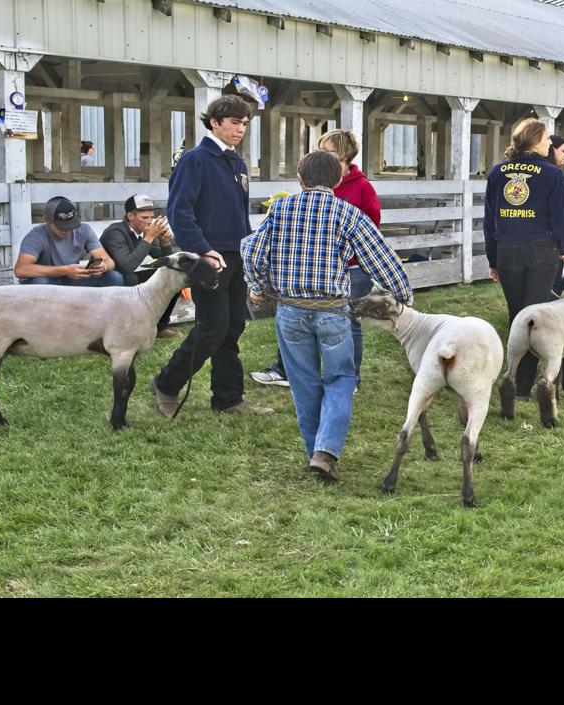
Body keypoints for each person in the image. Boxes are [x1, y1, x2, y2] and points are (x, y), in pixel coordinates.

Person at [241, 150, 413, 482]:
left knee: (303, 383)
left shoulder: (280, 210)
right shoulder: (347, 213)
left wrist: (257, 285)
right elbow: (382, 259)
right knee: (341, 379)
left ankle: (314, 452)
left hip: (290, 310)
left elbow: (250, 249)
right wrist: (403, 295)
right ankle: (325, 451)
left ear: (300, 180)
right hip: (332, 312)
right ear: (337, 181)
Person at [151, 94, 275, 418]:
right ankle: (166, 383)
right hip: (209, 258)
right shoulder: (195, 160)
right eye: (234, 122)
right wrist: (204, 251)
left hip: (236, 255)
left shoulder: (238, 162)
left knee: (233, 325)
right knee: (213, 326)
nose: (240, 129)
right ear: (215, 122)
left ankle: (228, 398)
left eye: (245, 124)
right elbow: (179, 212)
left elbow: (238, 215)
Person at [253, 129, 386, 388]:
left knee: (350, 322)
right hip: (312, 265)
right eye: (320, 150)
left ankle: (350, 378)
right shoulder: (314, 183)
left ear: (346, 156)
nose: (323, 156)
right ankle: (285, 370)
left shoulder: (362, 188)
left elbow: (371, 227)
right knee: (295, 312)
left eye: (329, 151)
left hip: (350, 269)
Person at [481, 117, 564, 399]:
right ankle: (521, 385)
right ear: (534, 140)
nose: (549, 144)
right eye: (546, 139)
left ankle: (510, 375)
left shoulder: (498, 173)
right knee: (535, 317)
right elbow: (561, 217)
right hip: (541, 249)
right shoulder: (552, 174)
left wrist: (493, 259)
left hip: (507, 248)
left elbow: (489, 220)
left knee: (516, 315)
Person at [101, 193, 182, 333]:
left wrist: (165, 242)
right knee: (130, 278)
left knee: (173, 278)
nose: (149, 221)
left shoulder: (145, 232)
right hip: (108, 279)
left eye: (151, 217)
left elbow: (165, 261)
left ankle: (160, 327)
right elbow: (127, 266)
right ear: (130, 216)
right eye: (144, 217)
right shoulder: (115, 232)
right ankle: (131, 328)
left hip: (128, 276)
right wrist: (149, 237)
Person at [14, 195, 121, 287]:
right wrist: (65, 270)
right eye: (62, 227)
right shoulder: (36, 236)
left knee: (114, 277)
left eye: (71, 226)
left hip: (72, 280)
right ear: (47, 220)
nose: (67, 231)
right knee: (41, 282)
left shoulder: (84, 230)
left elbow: (109, 261)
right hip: (47, 280)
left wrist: (103, 267)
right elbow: (21, 269)